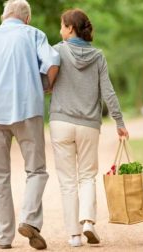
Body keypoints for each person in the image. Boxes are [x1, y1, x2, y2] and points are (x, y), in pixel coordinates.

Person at [0, 0, 60, 249]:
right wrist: (45, 87)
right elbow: (53, 63)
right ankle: (29, 219)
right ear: (27, 19)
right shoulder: (35, 35)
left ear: (2, 16)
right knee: (36, 171)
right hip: (28, 111)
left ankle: (4, 237)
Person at [48, 8, 129, 247]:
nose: (60, 30)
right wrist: (119, 122)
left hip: (61, 122)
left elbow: (45, 81)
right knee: (86, 177)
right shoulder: (98, 56)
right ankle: (88, 223)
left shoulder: (57, 51)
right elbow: (108, 92)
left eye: (62, 25)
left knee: (67, 181)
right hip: (88, 126)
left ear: (70, 28)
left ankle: (74, 236)